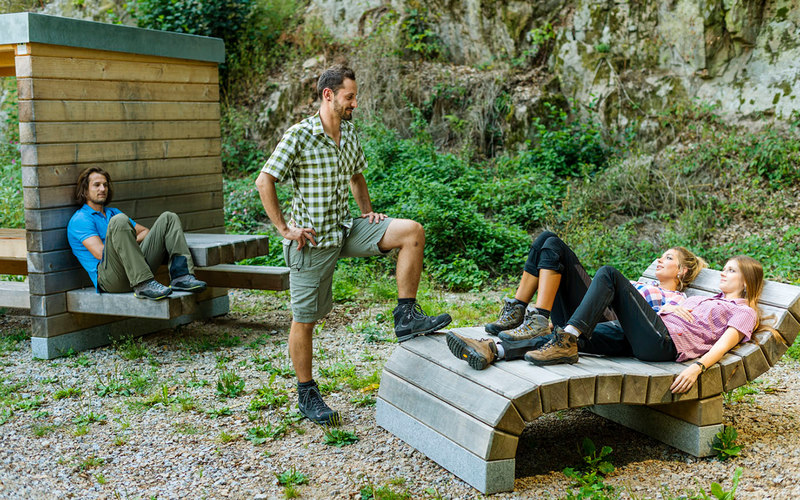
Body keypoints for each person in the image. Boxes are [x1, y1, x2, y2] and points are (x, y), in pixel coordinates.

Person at [255, 65, 451, 425]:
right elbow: (264, 181)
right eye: (350, 97)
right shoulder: (299, 136)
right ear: (328, 95)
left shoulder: (348, 134)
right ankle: (307, 393)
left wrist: (369, 213)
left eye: (355, 97)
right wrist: (285, 228)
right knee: (305, 320)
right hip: (311, 243)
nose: (354, 103)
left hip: (345, 229)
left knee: (412, 232)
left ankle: (406, 315)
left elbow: (356, 176)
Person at [455, 255, 768, 394]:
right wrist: (677, 306)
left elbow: (725, 343)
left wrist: (697, 368)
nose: (723, 274)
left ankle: (566, 339)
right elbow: (672, 306)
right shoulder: (709, 299)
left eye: (730, 271)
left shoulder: (744, 312)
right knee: (573, 339)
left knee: (608, 274)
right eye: (724, 269)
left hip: (663, 343)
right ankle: (495, 349)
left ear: (747, 281)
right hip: (643, 334)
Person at [447, 231, 706, 368]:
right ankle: (521, 310)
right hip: (592, 317)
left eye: (669, 258)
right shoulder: (643, 285)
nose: (660, 260)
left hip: (617, 328)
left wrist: (674, 308)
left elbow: (671, 326)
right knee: (548, 241)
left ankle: (493, 349)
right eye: (662, 256)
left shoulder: (677, 297)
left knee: (606, 274)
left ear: (682, 271)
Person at [67, 166, 207, 300]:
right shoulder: (81, 219)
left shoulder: (113, 212)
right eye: (96, 185)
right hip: (112, 280)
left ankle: (181, 276)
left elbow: (145, 232)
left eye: (105, 185)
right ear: (85, 191)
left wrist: (127, 244)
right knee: (119, 221)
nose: (103, 189)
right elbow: (100, 253)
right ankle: (143, 283)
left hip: (135, 269)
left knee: (169, 218)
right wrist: (124, 244)